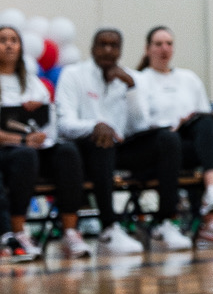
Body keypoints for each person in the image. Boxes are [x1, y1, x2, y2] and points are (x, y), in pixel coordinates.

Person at [0, 26, 88, 261]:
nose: (9, 45)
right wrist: (21, 139)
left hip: (28, 152)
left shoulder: (32, 82)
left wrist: (38, 119)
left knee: (68, 152)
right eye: (2, 40)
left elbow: (49, 127)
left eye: (14, 40)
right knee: (25, 154)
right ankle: (19, 232)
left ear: (21, 47)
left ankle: (70, 231)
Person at [130, 26, 213, 247]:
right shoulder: (140, 80)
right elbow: (136, 123)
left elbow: (204, 117)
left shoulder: (189, 79)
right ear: (147, 49)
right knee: (174, 142)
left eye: (169, 43)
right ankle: (168, 221)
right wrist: (170, 126)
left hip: (186, 143)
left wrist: (188, 120)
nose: (164, 49)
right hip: (156, 146)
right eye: (158, 44)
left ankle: (211, 204)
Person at [52, 28, 147, 254]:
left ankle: (166, 223)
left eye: (113, 46)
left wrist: (131, 88)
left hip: (122, 147)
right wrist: (95, 126)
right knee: (102, 143)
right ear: (92, 48)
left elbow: (141, 125)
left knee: (166, 140)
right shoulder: (73, 75)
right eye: (102, 44)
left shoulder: (131, 78)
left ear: (120, 51)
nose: (107, 50)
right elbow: (64, 124)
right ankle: (109, 227)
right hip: (84, 149)